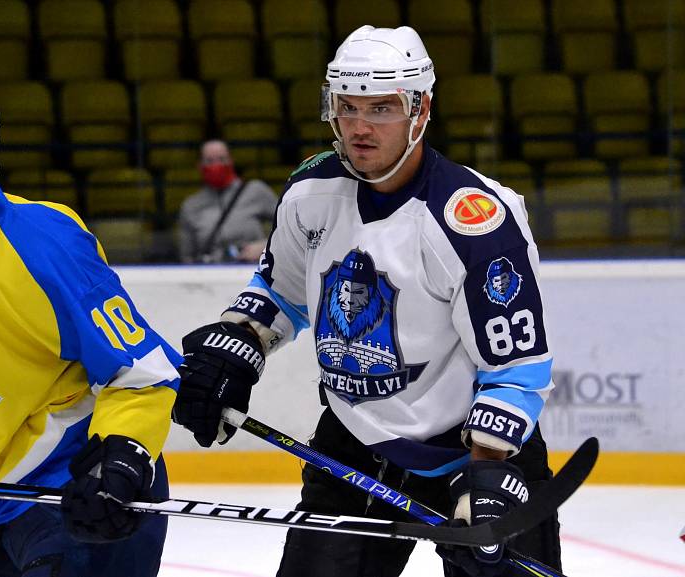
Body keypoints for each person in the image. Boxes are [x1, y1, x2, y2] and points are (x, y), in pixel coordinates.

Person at [172, 26, 561, 577]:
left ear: (420, 109)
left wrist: (486, 478)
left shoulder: (472, 220)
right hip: (355, 444)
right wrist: (238, 343)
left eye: (381, 108)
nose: (358, 127)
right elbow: (280, 290)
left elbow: (517, 367)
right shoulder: (311, 192)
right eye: (346, 107)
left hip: (473, 453)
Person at [0, 69, 182, 577]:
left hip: (87, 499)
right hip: (2, 503)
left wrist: (125, 458)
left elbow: (140, 371)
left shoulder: (46, 242)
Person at [177, 139, 278, 263]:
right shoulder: (191, 206)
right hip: (212, 275)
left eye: (221, 159)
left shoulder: (255, 191)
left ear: (231, 161)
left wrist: (266, 246)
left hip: (256, 272)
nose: (216, 165)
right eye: (209, 161)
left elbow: (289, 227)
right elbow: (187, 257)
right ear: (200, 165)